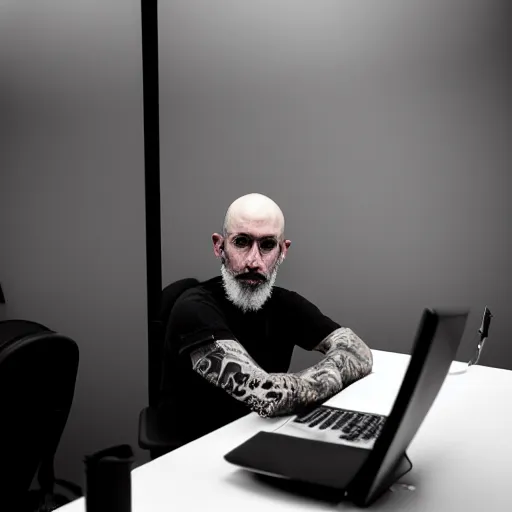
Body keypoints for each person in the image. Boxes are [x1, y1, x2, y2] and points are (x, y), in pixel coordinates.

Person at [159, 193, 373, 446]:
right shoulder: (193, 308)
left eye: (268, 245)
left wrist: (302, 387)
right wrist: (331, 375)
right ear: (219, 246)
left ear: (283, 251)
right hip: (198, 451)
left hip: (263, 436)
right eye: (241, 242)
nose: (253, 261)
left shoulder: (285, 303)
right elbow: (266, 394)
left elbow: (360, 352)